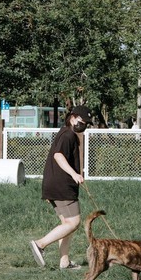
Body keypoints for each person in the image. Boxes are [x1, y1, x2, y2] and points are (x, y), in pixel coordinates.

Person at [30, 105, 93, 269]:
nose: (84, 125)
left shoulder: (64, 132)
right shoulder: (69, 135)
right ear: (73, 117)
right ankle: (40, 244)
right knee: (74, 222)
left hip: (53, 184)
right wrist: (74, 174)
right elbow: (58, 156)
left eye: (86, 123)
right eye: (83, 121)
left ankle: (64, 262)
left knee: (66, 224)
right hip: (62, 184)